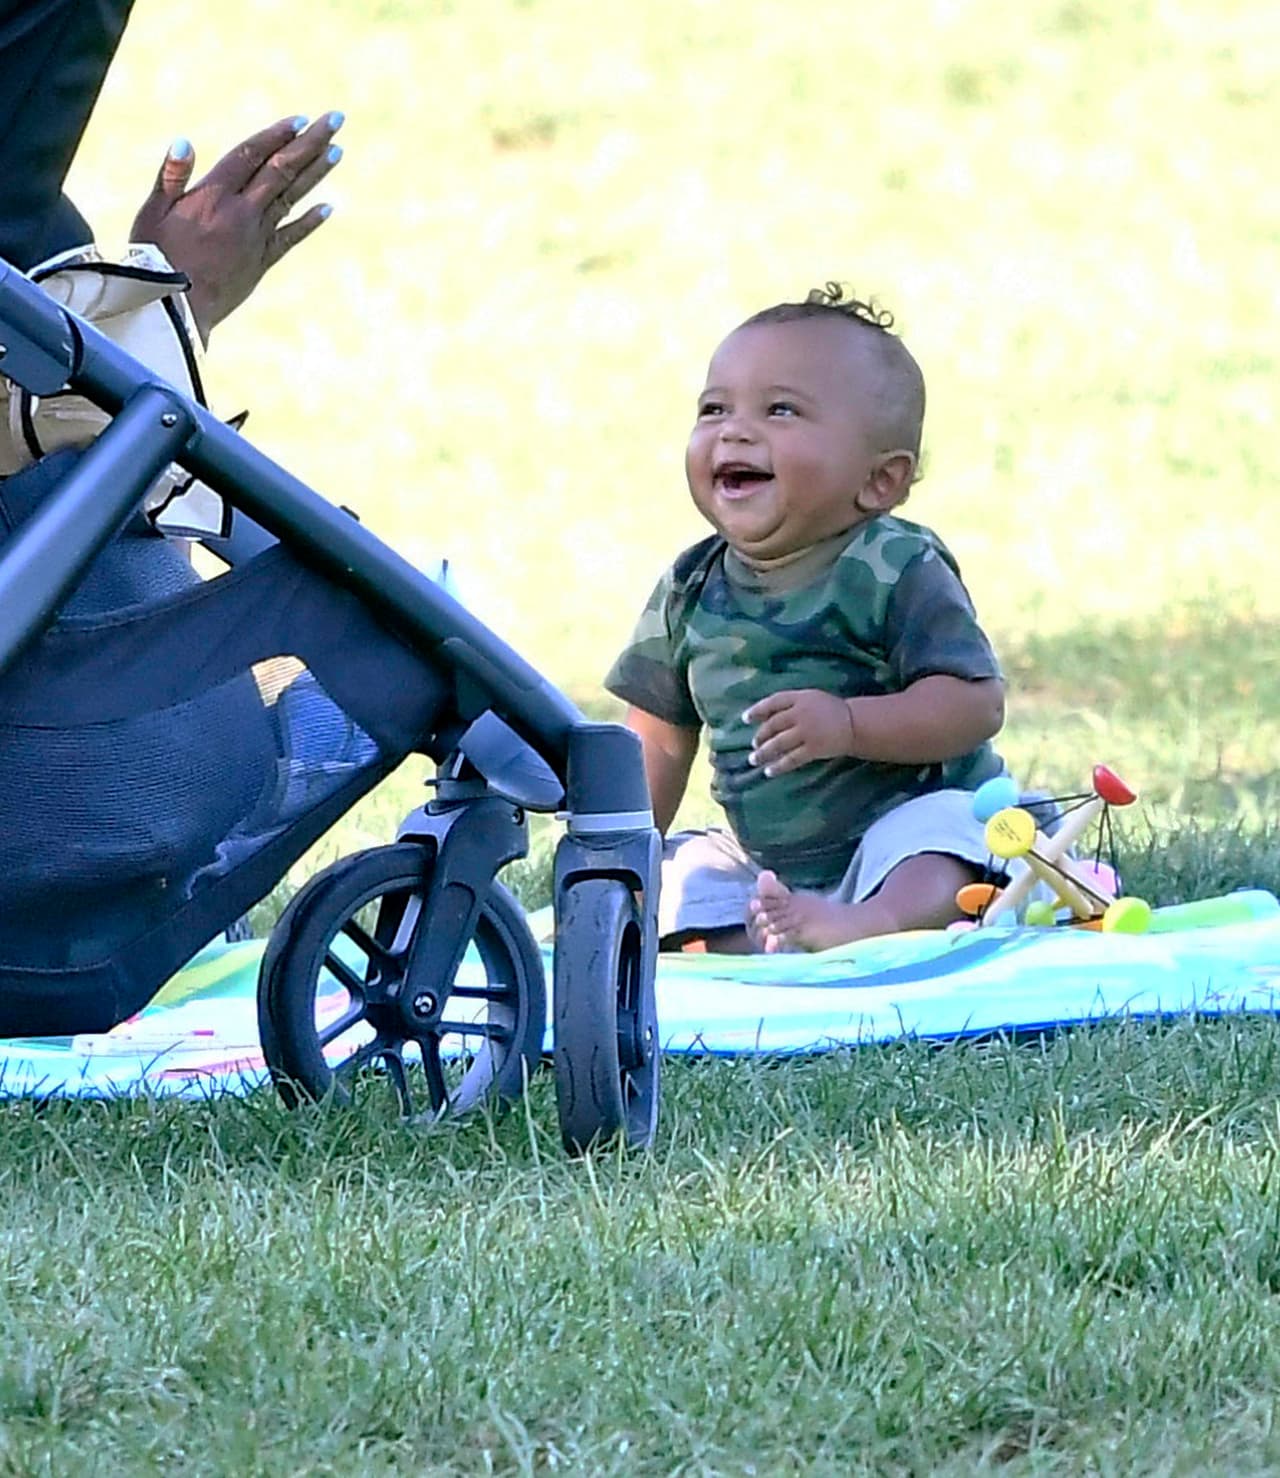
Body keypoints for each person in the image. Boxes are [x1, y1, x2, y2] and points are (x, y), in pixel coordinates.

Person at [605, 284, 1008, 954]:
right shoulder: (690, 585)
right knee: (681, 877)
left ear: (879, 481)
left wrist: (848, 724)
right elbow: (659, 738)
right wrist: (620, 862)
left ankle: (868, 924)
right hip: (769, 860)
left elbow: (974, 705)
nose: (733, 430)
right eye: (714, 409)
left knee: (943, 845)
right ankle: (766, 937)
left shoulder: (892, 566)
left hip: (903, 827)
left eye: (781, 410)